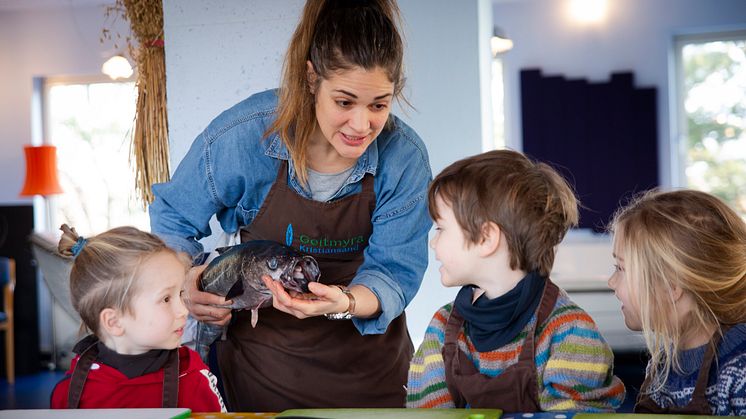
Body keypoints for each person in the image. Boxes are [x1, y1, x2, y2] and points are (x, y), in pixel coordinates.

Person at [148, 0, 431, 411]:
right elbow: (171, 215)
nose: (361, 125)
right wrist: (187, 280)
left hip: (371, 381)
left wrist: (345, 301)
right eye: (344, 102)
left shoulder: (404, 158)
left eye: (379, 105)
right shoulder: (246, 136)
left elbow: (394, 273)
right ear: (312, 77)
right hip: (260, 378)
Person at [407, 150, 625, 412]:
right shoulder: (441, 330)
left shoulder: (570, 334)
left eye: (440, 228)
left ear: (486, 238)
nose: (433, 242)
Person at [50, 224, 225, 412]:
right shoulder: (68, 394)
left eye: (181, 293)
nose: (183, 310)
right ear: (114, 322)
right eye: (166, 299)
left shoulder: (194, 379)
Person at [608, 189, 746, 415]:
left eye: (620, 268)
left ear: (670, 287)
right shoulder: (661, 365)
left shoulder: (740, 369)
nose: (611, 282)